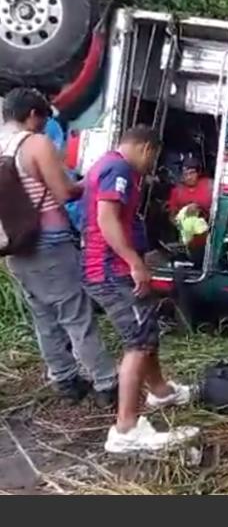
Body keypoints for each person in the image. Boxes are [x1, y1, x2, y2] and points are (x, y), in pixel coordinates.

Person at [81, 125, 198, 453]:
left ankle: (161, 391)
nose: (152, 164)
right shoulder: (118, 169)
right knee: (139, 343)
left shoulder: (105, 163)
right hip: (110, 271)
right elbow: (107, 219)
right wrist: (134, 262)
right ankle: (126, 429)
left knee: (145, 329)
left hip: (106, 268)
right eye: (155, 156)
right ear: (147, 148)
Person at [1, 88, 118, 406]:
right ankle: (107, 383)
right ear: (33, 115)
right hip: (49, 241)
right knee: (75, 314)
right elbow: (65, 192)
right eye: (42, 120)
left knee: (43, 315)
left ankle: (65, 380)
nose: (42, 127)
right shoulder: (35, 143)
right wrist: (91, 180)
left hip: (14, 245)